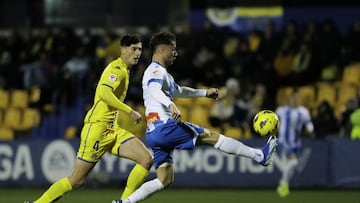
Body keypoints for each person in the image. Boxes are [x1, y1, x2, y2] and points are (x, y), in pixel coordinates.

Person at [112, 31, 277, 203]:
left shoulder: (162, 73)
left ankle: (125, 202)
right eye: (173, 49)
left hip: (154, 133)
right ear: (162, 50)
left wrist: (205, 93)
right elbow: (154, 90)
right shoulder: (155, 71)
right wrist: (170, 104)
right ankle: (259, 156)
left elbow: (180, 90)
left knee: (164, 179)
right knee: (212, 137)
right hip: (165, 126)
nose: (176, 53)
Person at [24, 34, 153, 203]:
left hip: (112, 129)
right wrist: (130, 111)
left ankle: (124, 202)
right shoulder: (116, 70)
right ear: (122, 49)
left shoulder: (125, 70)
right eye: (134, 49)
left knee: (146, 159)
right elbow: (103, 93)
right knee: (77, 180)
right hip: (97, 129)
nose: (138, 53)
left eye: (140, 49)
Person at [275, 90, 314, 197]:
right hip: (284, 141)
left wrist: (310, 129)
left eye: (297, 98)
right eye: (293, 98)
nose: (295, 100)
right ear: (290, 100)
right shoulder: (282, 110)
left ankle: (283, 186)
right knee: (294, 163)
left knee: (289, 167)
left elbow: (308, 123)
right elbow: (274, 120)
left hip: (296, 142)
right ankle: (283, 183)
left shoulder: (303, 111)